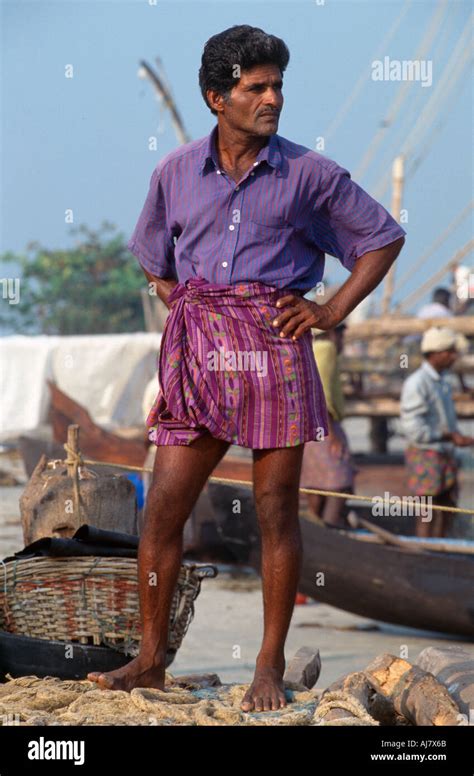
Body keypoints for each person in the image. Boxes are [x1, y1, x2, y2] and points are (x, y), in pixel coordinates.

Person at [87, 25, 406, 713]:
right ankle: (149, 660)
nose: (273, 98)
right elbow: (151, 255)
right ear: (216, 98)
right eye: (255, 87)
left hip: (275, 349)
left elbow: (382, 238)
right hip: (199, 355)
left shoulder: (310, 175)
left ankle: (267, 667)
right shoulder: (174, 172)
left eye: (278, 85)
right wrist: (188, 311)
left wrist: (330, 312)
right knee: (162, 514)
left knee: (275, 516)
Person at [400, 327, 473, 539]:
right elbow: (414, 429)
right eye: (450, 352)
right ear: (435, 354)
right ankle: (425, 551)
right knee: (427, 512)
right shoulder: (417, 383)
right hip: (426, 454)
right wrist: (450, 436)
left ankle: (440, 548)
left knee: (447, 506)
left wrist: (452, 437)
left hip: (443, 454)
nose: (454, 356)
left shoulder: (442, 382)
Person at [300, 324, 356, 528]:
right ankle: (330, 529)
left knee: (317, 485)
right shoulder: (327, 349)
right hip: (324, 427)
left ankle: (316, 529)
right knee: (339, 483)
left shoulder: (314, 347)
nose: (342, 342)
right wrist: (332, 434)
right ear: (333, 334)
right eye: (341, 337)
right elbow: (321, 390)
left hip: (310, 427)